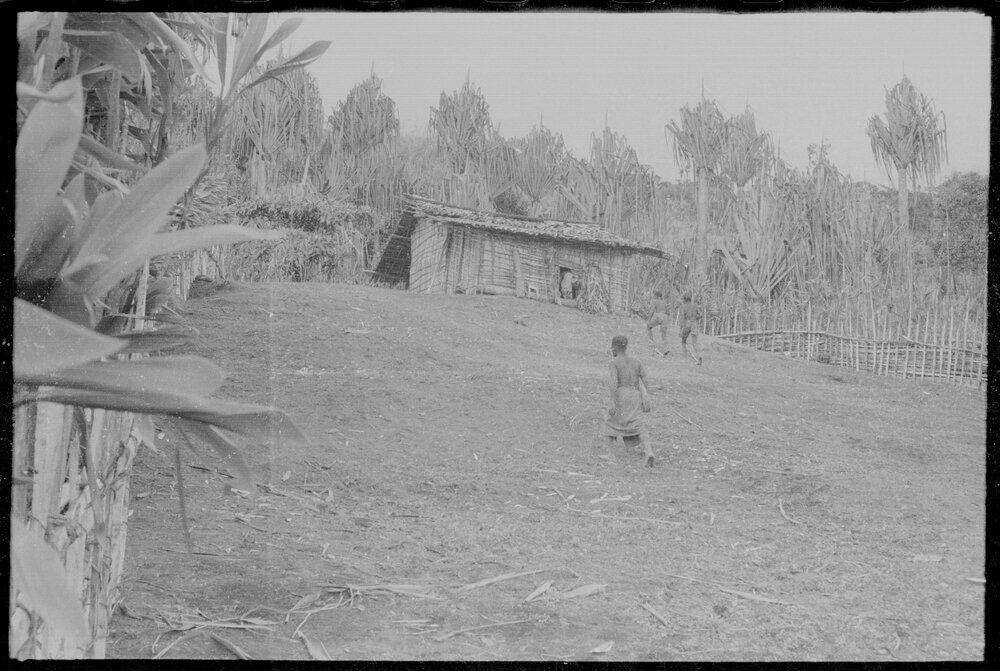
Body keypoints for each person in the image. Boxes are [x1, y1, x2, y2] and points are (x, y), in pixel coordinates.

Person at [602, 335, 655, 468]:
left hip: (621, 394)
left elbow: (614, 381)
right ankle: (649, 452)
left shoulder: (614, 363)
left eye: (612, 347)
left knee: (609, 425)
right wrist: (646, 396)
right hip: (635, 395)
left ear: (615, 347)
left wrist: (612, 401)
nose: (611, 350)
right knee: (638, 425)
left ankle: (611, 455)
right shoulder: (636, 361)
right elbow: (644, 378)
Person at [678, 292, 703, 365]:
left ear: (685, 299)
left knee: (683, 341)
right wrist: (696, 318)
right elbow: (700, 314)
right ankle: (699, 357)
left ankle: (685, 358)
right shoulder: (695, 306)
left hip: (687, 324)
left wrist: (680, 329)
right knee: (694, 343)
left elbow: (682, 319)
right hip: (694, 323)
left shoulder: (683, 306)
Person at [645, 290, 672, 355]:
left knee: (648, 327)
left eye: (654, 295)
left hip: (658, 315)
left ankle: (652, 343)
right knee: (664, 335)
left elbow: (652, 310)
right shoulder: (664, 302)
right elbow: (668, 312)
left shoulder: (654, 301)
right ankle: (665, 349)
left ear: (656, 296)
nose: (653, 296)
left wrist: (648, 320)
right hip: (665, 317)